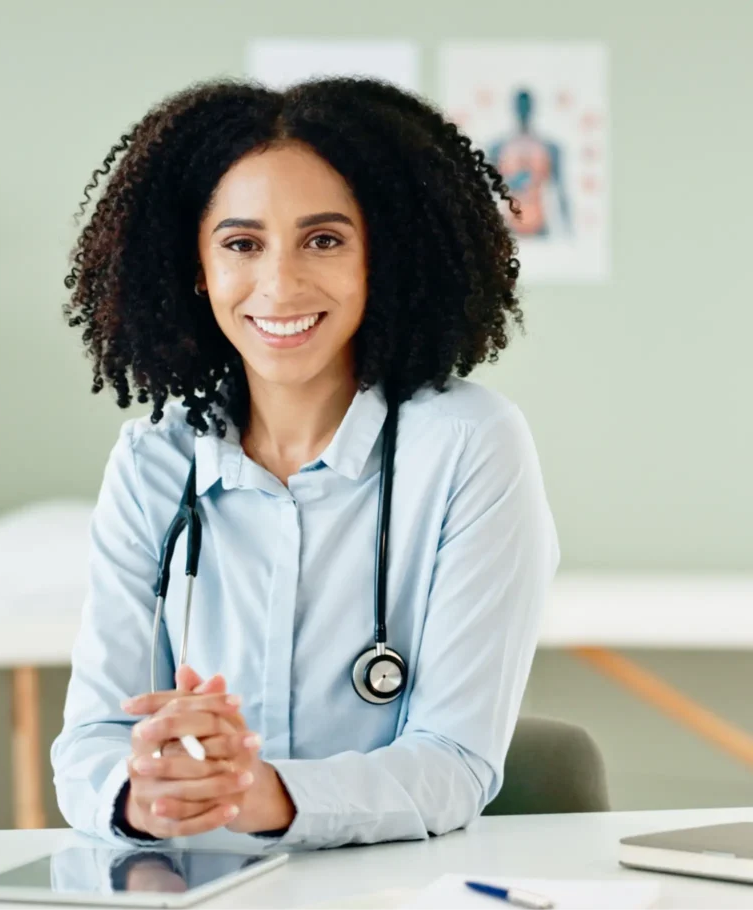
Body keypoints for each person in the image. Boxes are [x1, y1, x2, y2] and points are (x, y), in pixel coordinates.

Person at [50, 75, 560, 851]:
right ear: (196, 265)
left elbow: (454, 760)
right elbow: (91, 741)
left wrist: (269, 793)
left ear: (378, 257)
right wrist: (141, 793)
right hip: (196, 890)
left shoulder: (467, 447)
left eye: (323, 239)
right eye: (241, 244)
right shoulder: (154, 461)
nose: (280, 284)